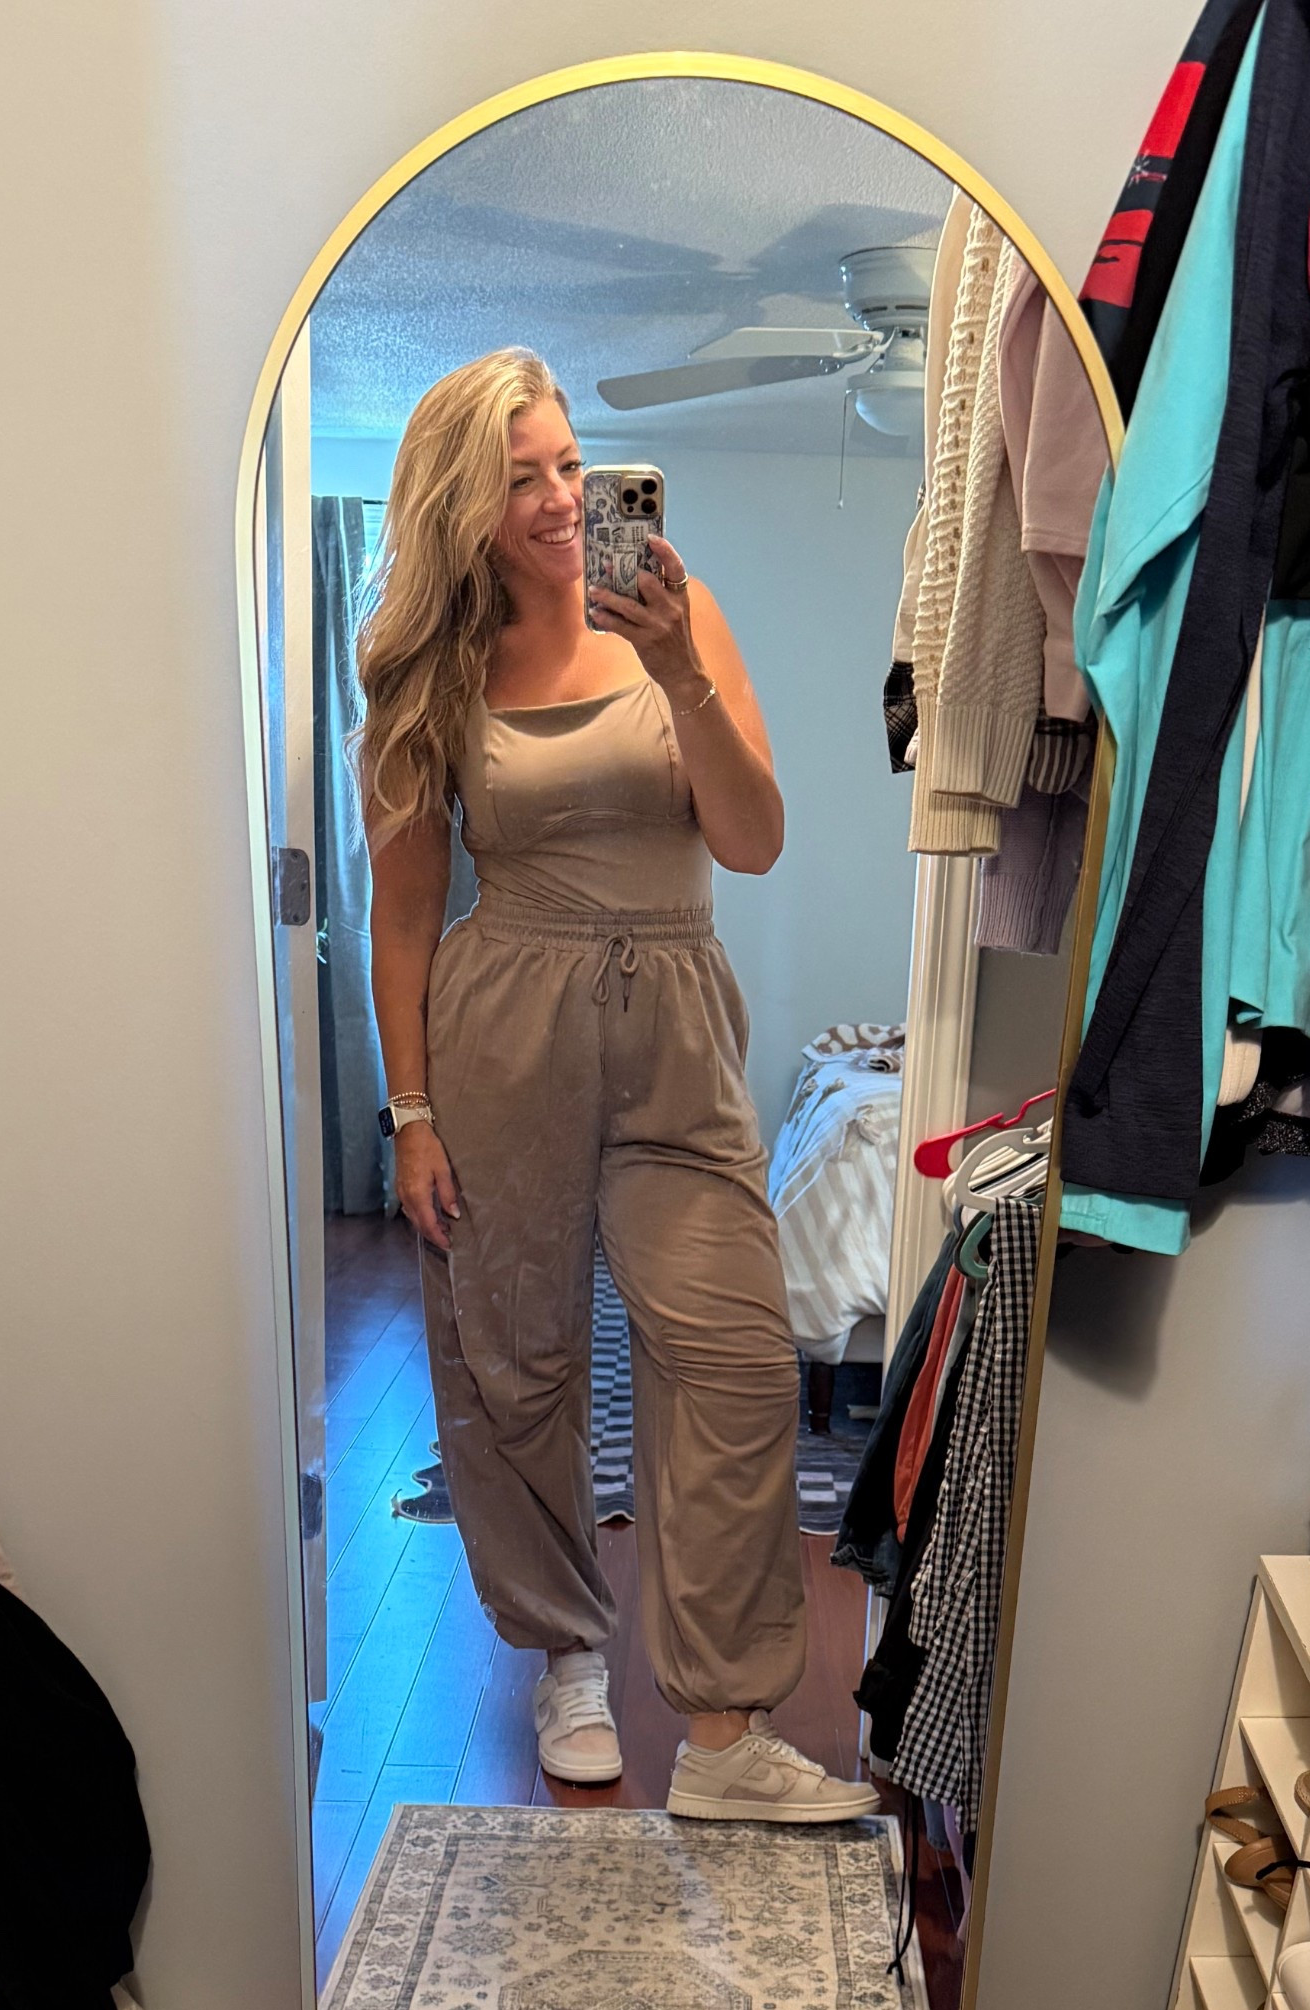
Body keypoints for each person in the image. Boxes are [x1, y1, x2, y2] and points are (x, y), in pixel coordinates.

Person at [358, 347, 875, 1823]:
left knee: (734, 1358)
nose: (557, 499)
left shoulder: (677, 614)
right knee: (514, 1357)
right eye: (518, 478)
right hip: (502, 1027)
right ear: (460, 505)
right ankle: (566, 1651)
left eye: (570, 466)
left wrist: (679, 671)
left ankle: (723, 1735)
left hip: (677, 1025)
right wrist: (410, 1115)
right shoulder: (429, 672)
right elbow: (404, 916)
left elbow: (755, 839)